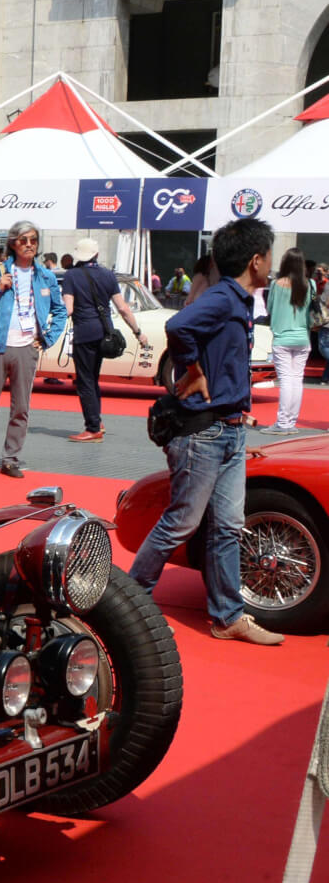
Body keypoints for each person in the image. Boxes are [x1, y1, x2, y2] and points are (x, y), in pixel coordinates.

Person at [129, 219, 282, 645]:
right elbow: (179, 327)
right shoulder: (223, 297)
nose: (272, 262)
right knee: (182, 523)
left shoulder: (237, 299)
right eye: (269, 255)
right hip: (203, 434)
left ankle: (227, 616)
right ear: (256, 260)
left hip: (229, 429)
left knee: (228, 526)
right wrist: (193, 369)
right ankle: (129, 602)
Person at [0, 219, 67, 479]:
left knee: (21, 408)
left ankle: (10, 460)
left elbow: (60, 311)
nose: (29, 244)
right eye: (24, 240)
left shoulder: (45, 276)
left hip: (27, 348)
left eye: (33, 240)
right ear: (13, 244)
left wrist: (48, 339)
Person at [61, 237, 144, 442]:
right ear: (96, 255)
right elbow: (123, 308)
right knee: (93, 378)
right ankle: (97, 421)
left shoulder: (71, 276)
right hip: (104, 333)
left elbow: (68, 309)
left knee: (85, 381)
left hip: (84, 334)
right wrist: (137, 332)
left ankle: (93, 428)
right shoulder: (108, 275)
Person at [263, 247, 315, 435]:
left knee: (285, 380)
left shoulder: (276, 285)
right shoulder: (310, 284)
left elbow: (269, 309)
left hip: (282, 337)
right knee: (297, 379)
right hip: (302, 337)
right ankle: (291, 422)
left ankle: (283, 423)